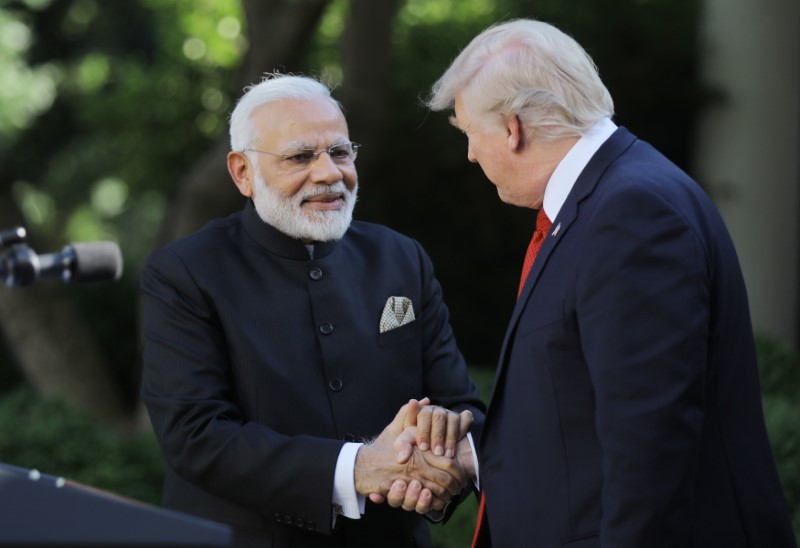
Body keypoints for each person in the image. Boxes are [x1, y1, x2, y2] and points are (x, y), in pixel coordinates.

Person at [394, 18, 797, 548]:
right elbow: (580, 414)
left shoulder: (631, 211)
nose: (470, 153)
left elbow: (649, 448)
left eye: (469, 131)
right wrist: (473, 454)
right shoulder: (614, 197)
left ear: (512, 128)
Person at [139, 73, 485, 548]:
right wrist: (360, 469)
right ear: (242, 172)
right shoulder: (185, 272)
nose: (329, 173)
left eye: (340, 153)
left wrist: (442, 465)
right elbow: (196, 435)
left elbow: (459, 405)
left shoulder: (401, 257)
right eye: (301, 156)